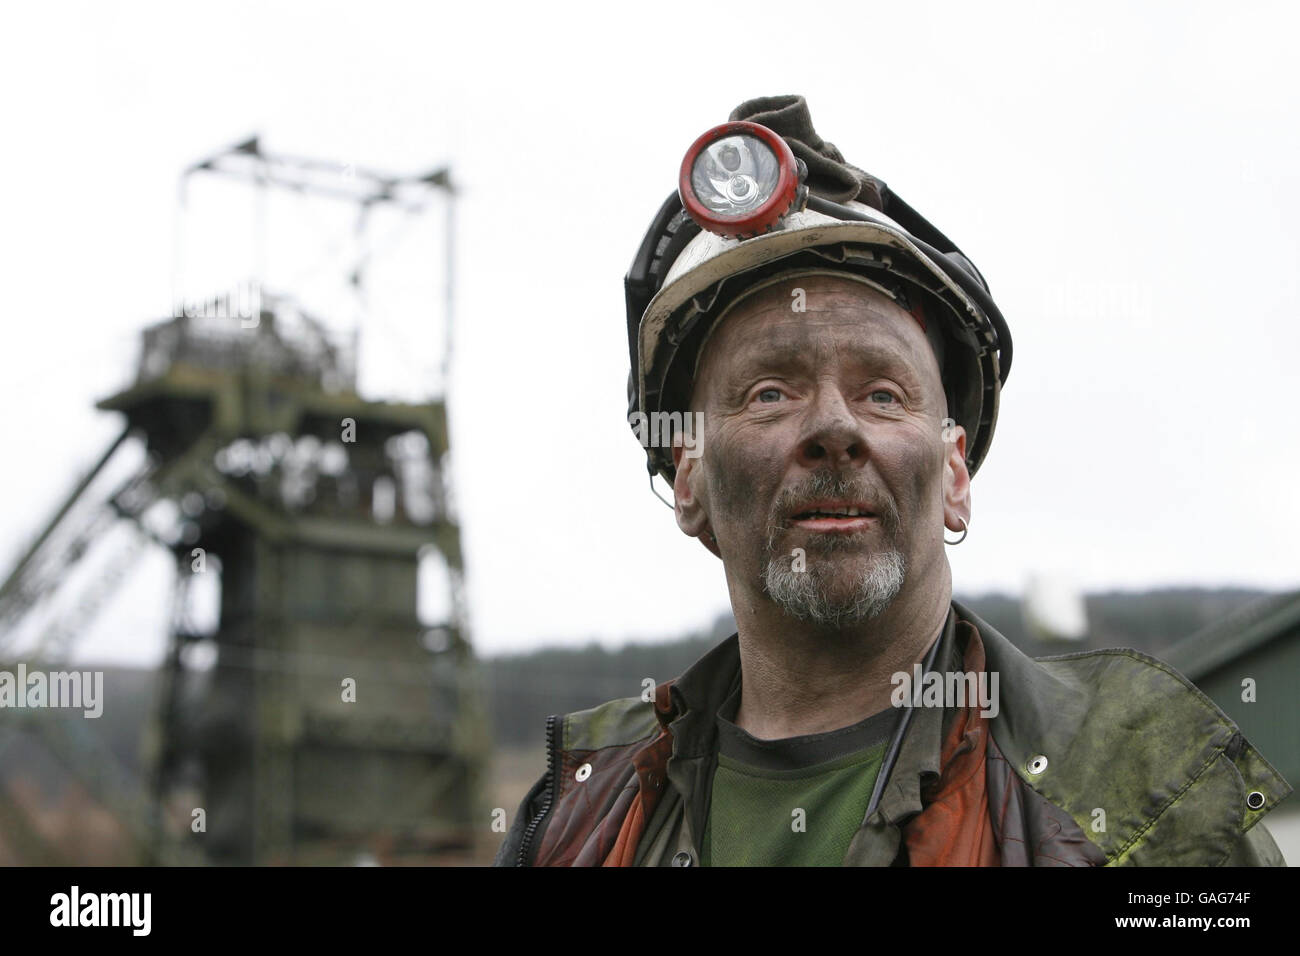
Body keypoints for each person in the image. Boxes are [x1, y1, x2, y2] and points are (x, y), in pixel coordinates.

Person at [493, 94, 1291, 867]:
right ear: (689, 475)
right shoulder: (578, 815)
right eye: (770, 393)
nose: (835, 430)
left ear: (953, 474)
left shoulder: (1137, 798)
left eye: (883, 393)